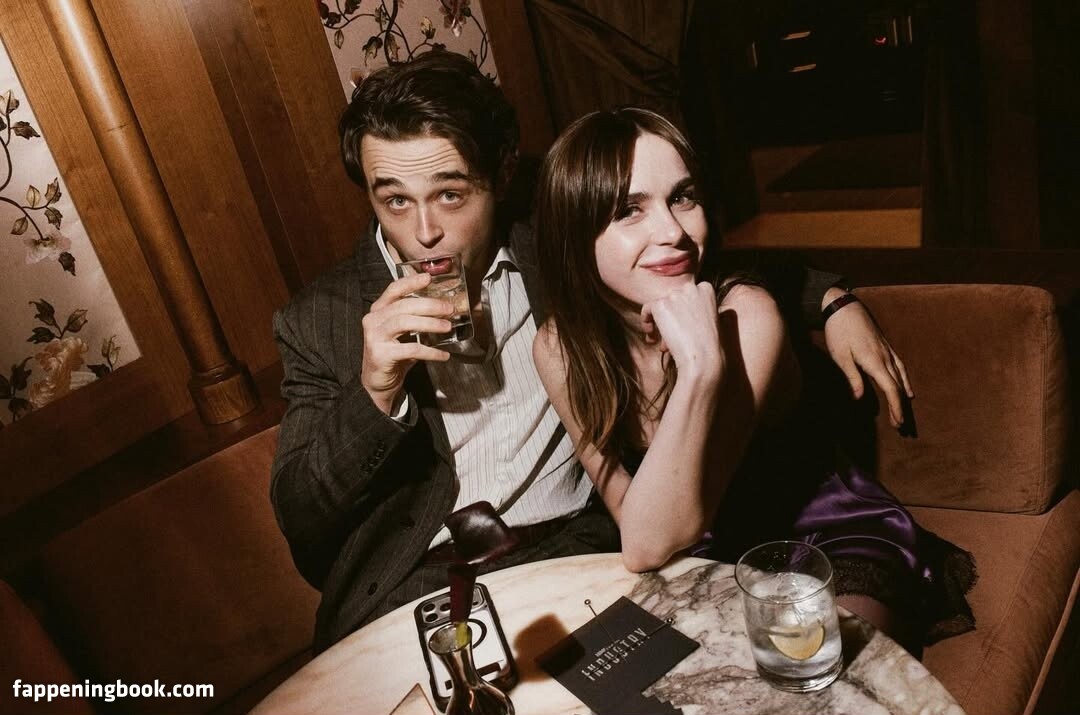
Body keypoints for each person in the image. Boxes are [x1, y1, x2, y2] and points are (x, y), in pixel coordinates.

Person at [270, 50, 918, 653]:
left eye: (450, 193)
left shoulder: (554, 251)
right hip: (412, 577)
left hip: (577, 549)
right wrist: (374, 390)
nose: (424, 232)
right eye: (393, 199)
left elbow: (692, 259)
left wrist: (830, 297)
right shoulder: (320, 320)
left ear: (500, 179)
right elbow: (302, 518)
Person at [530, 106, 975, 650]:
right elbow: (637, 532)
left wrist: (700, 365)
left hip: (822, 541)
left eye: (683, 197)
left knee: (824, 672)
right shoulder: (560, 348)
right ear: (574, 234)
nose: (673, 231)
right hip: (698, 559)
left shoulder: (748, 314)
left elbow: (654, 539)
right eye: (629, 210)